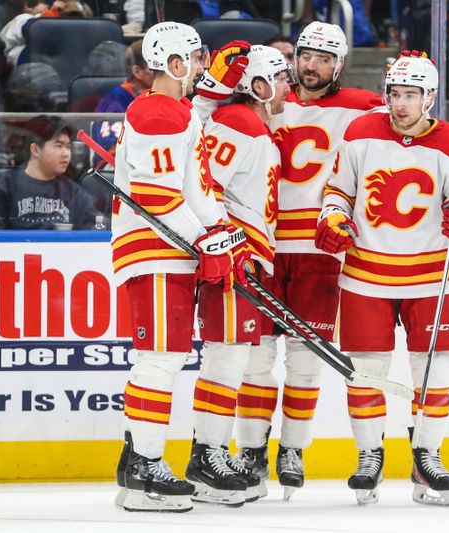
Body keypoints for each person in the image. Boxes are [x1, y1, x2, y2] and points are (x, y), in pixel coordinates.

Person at [315, 50, 449, 506]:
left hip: (432, 277)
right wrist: (332, 218)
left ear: (429, 97)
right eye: (395, 93)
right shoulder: (360, 132)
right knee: (365, 371)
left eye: (411, 95)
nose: (400, 104)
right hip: (366, 275)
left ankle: (427, 455)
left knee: (435, 368)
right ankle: (370, 455)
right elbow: (339, 191)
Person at [228, 22, 385, 501]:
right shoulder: (266, 99)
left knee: (305, 359)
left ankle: (293, 448)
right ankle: (251, 449)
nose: (310, 66)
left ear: (339, 64)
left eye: (322, 58)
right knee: (255, 358)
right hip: (263, 246)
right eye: (304, 56)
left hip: (320, 251)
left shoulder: (363, 108)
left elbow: (408, 133)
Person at [110, 21, 240, 514]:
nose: (203, 66)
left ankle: (134, 470)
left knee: (164, 358)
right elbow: (156, 198)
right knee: (160, 359)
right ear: (176, 64)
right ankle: (145, 468)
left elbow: (193, 191)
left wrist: (224, 237)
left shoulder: (178, 112)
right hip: (153, 249)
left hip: (171, 249)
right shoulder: (159, 112)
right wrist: (206, 239)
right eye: (195, 57)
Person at [188, 44, 293, 506]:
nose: (290, 85)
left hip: (246, 256)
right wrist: (227, 242)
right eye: (282, 77)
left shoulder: (256, 125)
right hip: (233, 258)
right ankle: (207, 457)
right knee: (225, 355)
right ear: (259, 85)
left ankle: (210, 453)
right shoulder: (238, 122)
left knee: (233, 356)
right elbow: (201, 183)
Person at [0, 115, 96, 230]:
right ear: (35, 150)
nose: (66, 154)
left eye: (68, 147)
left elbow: (89, 240)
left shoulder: (75, 194)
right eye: (59, 146)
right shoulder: (2, 189)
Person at [90, 39, 154, 170]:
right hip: (117, 172)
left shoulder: (164, 96)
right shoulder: (115, 100)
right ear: (137, 72)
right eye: (155, 65)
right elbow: (109, 155)